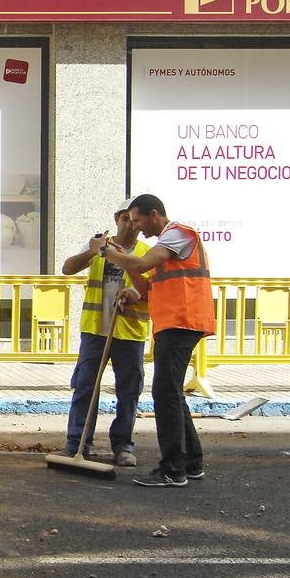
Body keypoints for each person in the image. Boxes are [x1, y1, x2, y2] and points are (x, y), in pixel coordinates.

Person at [101, 193, 216, 488]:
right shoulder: (167, 243)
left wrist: (107, 252)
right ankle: (191, 462)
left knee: (165, 394)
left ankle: (173, 469)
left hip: (182, 321)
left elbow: (141, 264)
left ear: (154, 214)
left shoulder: (177, 234)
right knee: (172, 393)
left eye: (138, 220)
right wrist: (133, 289)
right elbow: (148, 285)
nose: (136, 227)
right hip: (174, 323)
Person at [57, 201, 150, 467]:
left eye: (134, 220)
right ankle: (77, 443)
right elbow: (68, 267)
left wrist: (136, 294)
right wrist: (91, 252)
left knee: (129, 391)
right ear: (117, 220)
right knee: (86, 386)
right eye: (124, 219)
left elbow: (153, 288)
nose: (130, 225)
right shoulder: (99, 246)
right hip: (96, 330)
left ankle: (123, 446)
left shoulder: (147, 253)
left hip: (130, 332)